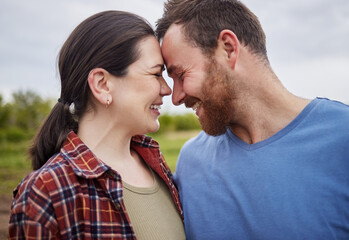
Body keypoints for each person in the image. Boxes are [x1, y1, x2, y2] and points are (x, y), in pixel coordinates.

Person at [155, 0, 349, 239]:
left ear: (228, 48)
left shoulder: (343, 138)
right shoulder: (190, 164)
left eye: (181, 75)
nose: (175, 97)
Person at [8, 10, 186, 240]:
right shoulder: (45, 192)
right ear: (102, 84)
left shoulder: (158, 166)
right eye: (155, 74)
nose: (167, 89)